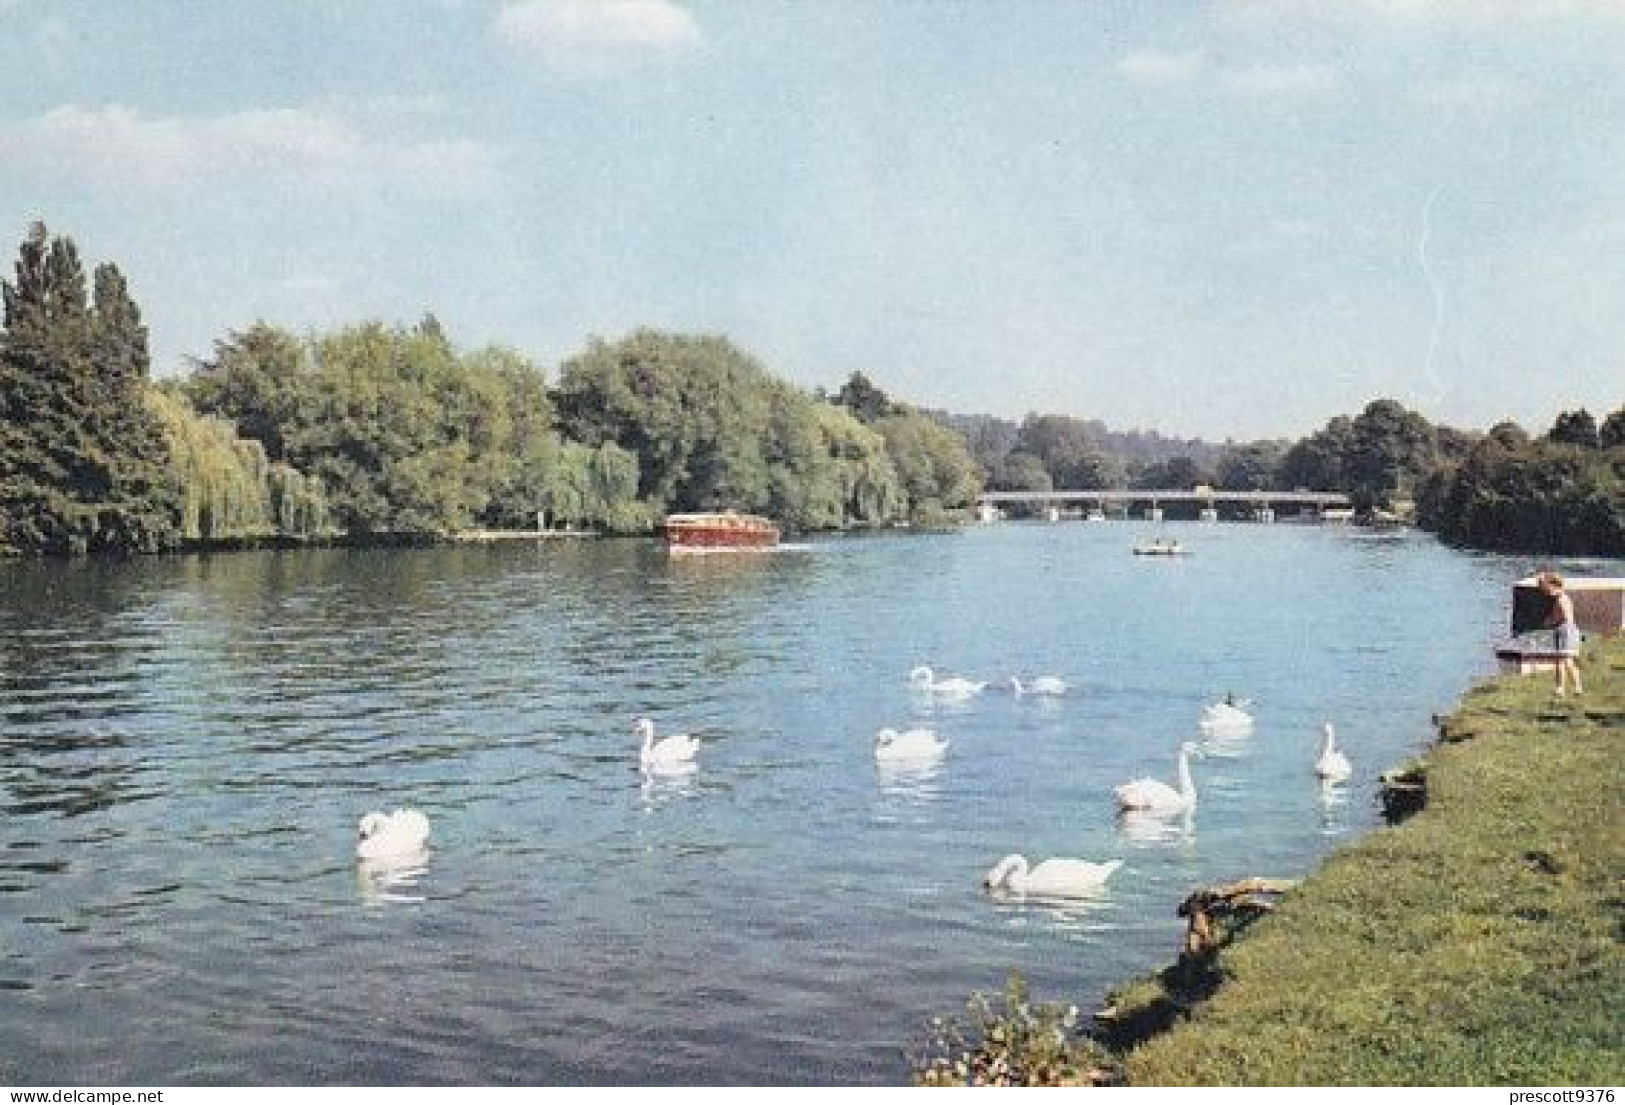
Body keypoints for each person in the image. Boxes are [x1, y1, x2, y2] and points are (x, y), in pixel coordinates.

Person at [1538, 571, 1584, 697]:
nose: (1544, 592)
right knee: (1565, 661)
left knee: (1561, 660)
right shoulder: (1561, 597)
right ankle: (1575, 687)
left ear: (1553, 585)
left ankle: (1561, 688)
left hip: (1566, 630)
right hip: (1566, 630)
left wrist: (1552, 621)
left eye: (1544, 588)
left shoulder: (1561, 598)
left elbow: (1565, 617)